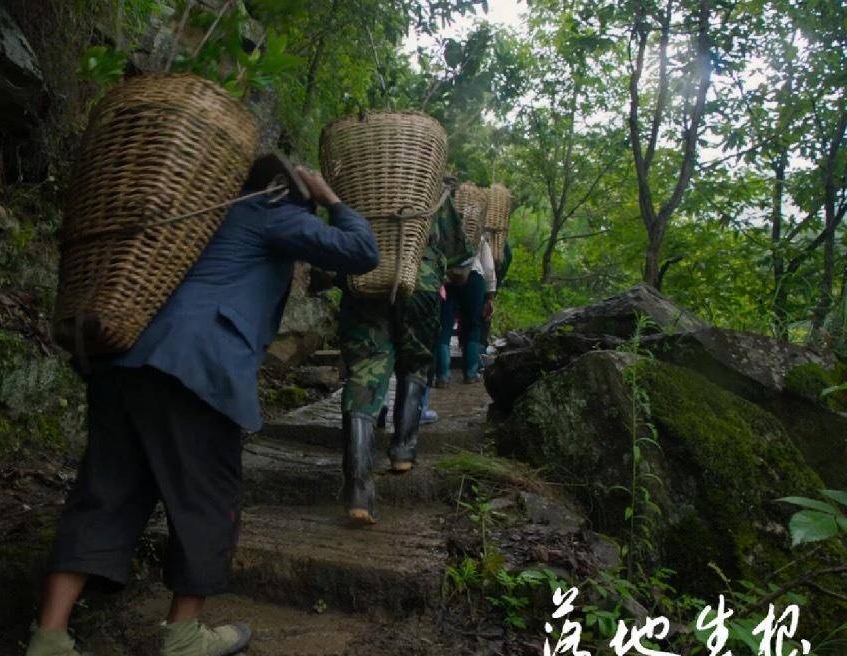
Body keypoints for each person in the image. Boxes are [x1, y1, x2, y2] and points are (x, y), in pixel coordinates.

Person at [25, 166, 379, 656]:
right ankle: (184, 635)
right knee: (207, 496)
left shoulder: (199, 217)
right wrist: (333, 201)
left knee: (104, 493)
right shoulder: (272, 212)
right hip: (193, 369)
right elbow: (362, 253)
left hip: (123, 359)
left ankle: (50, 635)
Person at [337, 183, 472, 524]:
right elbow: (459, 256)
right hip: (421, 280)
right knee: (415, 362)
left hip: (364, 278)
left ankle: (358, 491)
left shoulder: (358, 185)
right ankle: (402, 450)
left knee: (364, 374)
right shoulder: (431, 187)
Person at [434, 230, 496, 386]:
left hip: (446, 279)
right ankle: (470, 373)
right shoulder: (476, 234)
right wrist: (489, 297)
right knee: (473, 326)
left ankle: (442, 375)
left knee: (444, 326)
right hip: (473, 278)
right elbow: (488, 267)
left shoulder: (441, 231)